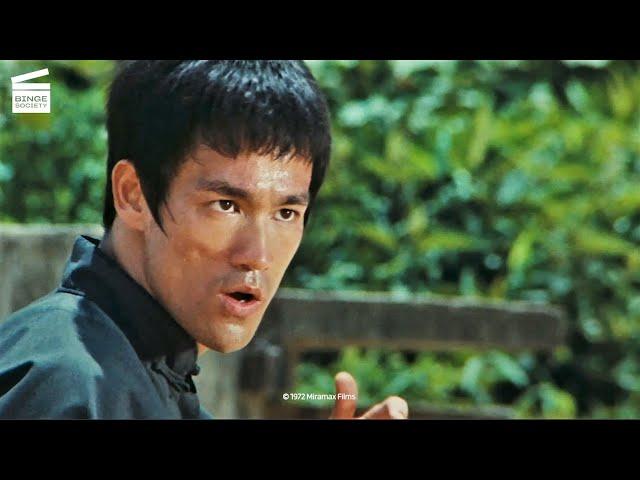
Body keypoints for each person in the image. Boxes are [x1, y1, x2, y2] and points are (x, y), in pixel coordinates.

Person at [0, 60, 409, 419]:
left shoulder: (152, 379)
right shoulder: (67, 384)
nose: (258, 256)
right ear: (134, 195)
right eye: (226, 205)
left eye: (286, 213)